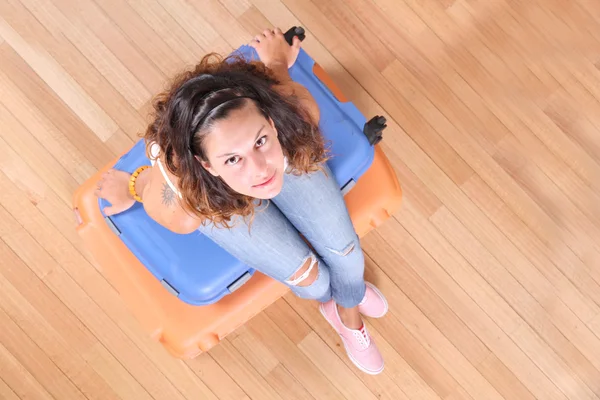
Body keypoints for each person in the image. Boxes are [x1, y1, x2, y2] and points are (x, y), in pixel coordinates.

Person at [95, 27, 388, 375]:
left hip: (277, 143)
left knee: (347, 255)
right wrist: (132, 184)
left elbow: (278, 85)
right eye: (233, 158)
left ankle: (347, 313)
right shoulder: (188, 200)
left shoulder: (297, 113)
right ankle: (334, 300)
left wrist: (277, 61)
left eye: (260, 141)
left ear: (271, 123)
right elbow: (156, 187)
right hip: (219, 200)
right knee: (311, 279)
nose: (260, 170)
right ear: (206, 164)